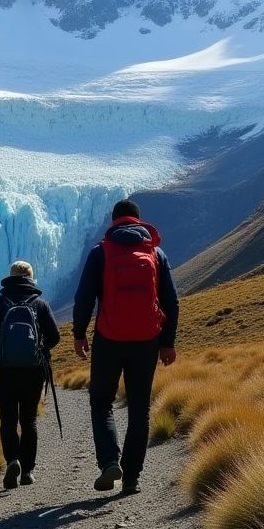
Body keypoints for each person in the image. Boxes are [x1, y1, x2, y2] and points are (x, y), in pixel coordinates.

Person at [73, 200, 179, 495]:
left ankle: (109, 462)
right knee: (139, 408)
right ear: (138, 220)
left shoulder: (100, 253)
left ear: (114, 220)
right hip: (146, 341)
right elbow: (171, 301)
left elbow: (83, 298)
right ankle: (131, 478)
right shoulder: (156, 254)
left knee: (101, 402)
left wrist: (80, 334)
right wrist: (167, 343)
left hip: (108, 339)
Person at [0, 261, 60, 489]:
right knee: (29, 419)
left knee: (8, 421)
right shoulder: (40, 304)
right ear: (31, 279)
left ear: (10, 278)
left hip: (3, 371)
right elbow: (55, 337)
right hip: (33, 371)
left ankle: (13, 460)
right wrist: (40, 347)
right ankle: (28, 472)